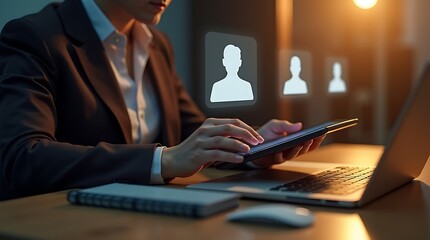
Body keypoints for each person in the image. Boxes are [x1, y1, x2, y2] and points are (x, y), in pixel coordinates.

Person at [0, 0, 323, 200]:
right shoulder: (34, 37)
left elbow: (192, 137)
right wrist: (163, 160)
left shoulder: (157, 45)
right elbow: (20, 158)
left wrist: (251, 145)